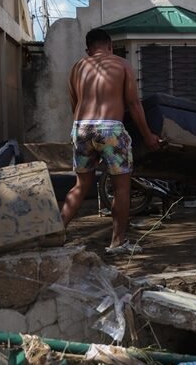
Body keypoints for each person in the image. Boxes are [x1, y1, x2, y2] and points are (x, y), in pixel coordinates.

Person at [61, 28, 160, 253]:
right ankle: (118, 242)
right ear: (110, 46)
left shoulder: (76, 68)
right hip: (110, 128)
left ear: (88, 50)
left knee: (81, 185)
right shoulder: (122, 64)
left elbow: (74, 105)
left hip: (81, 128)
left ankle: (57, 231)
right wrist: (148, 136)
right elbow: (134, 104)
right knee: (121, 187)